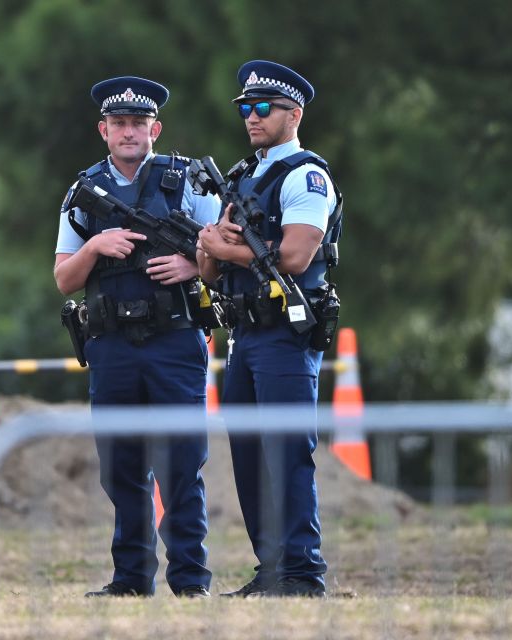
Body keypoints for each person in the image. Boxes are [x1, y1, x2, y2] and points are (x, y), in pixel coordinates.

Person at [54, 76, 220, 599]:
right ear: (103, 130)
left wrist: (194, 264)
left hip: (175, 341)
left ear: (156, 129)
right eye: (119, 124)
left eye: (139, 124)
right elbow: (64, 278)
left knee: (182, 465)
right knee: (121, 468)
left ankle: (191, 580)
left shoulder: (188, 182)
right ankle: (130, 579)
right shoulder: (83, 192)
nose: (129, 133)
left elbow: (226, 256)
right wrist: (96, 245)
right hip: (112, 345)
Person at [197, 60, 342, 598]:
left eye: (264, 109)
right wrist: (211, 249)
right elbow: (209, 266)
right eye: (245, 109)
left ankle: (303, 571)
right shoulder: (240, 178)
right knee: (250, 455)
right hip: (244, 335)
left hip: (285, 330)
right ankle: (272, 568)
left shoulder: (306, 175)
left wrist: (220, 247)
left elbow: (298, 256)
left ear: (294, 114)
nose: (252, 117)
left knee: (286, 449)